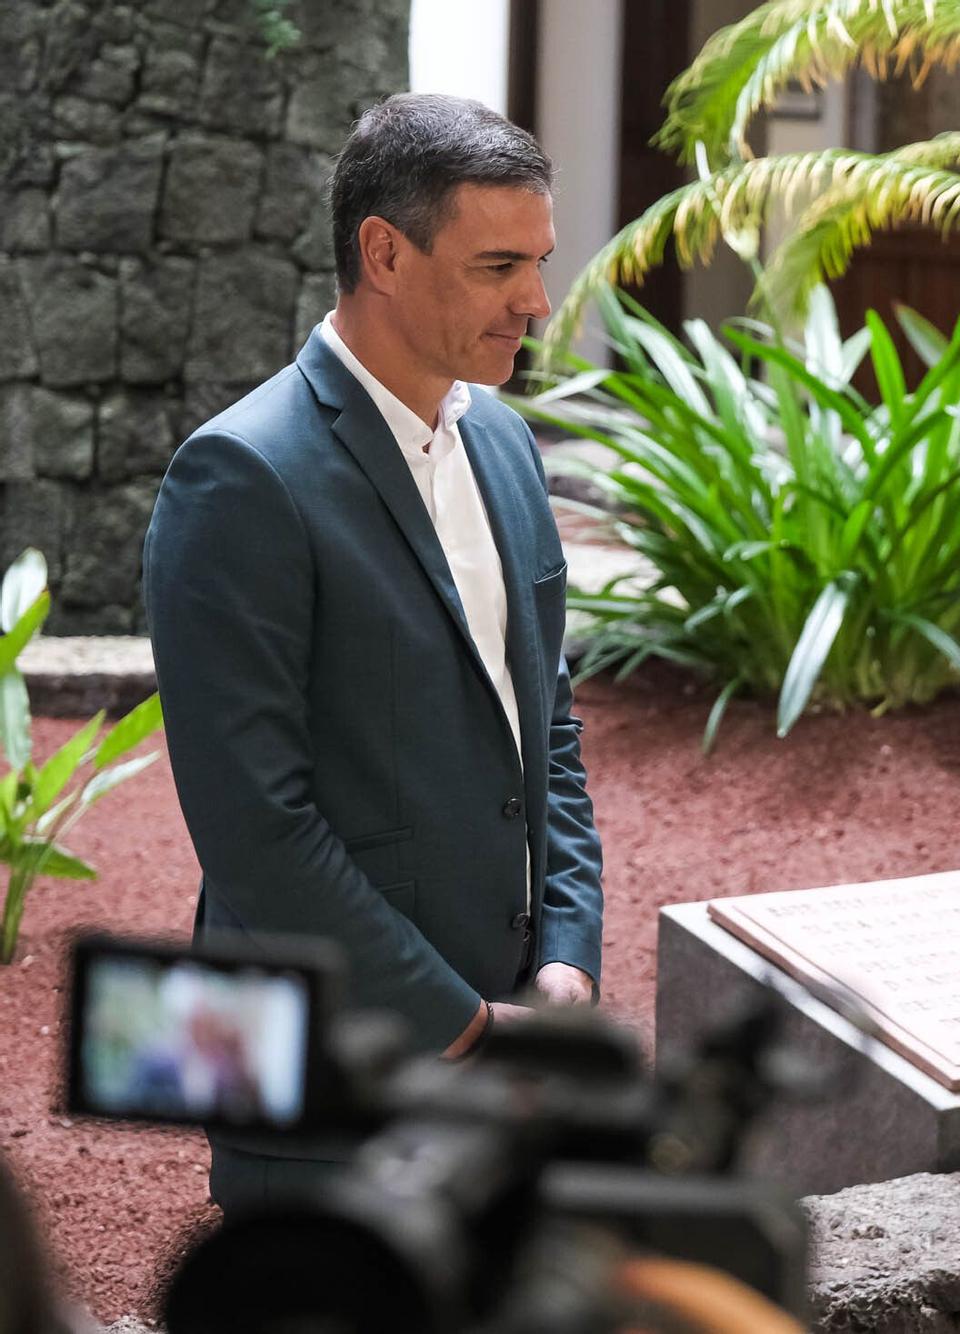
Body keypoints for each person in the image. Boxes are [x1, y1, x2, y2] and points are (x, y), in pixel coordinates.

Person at [144, 93, 605, 1214]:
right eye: (499, 265)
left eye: (539, 262)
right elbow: (256, 825)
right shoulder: (239, 477)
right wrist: (456, 1022)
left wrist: (565, 956)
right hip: (323, 1077)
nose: (536, 303)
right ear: (384, 253)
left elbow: (544, 723)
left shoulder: (502, 440)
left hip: (510, 1032)